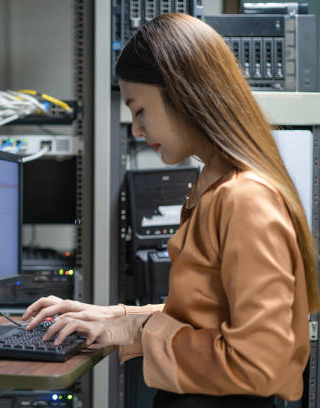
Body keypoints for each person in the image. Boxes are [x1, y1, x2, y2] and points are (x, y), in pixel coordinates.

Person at [22, 13, 320, 408]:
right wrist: (113, 317)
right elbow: (209, 316)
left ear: (183, 93)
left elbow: (259, 362)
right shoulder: (215, 187)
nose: (136, 130)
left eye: (139, 110)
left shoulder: (244, 199)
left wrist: (137, 329)